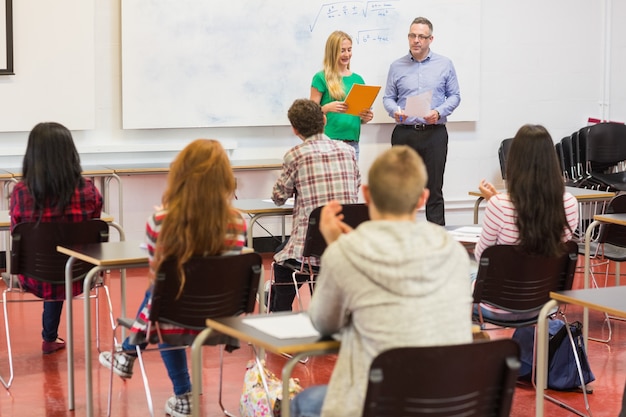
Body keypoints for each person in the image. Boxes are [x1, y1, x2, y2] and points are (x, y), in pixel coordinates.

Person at [290, 146, 473, 417]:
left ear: (366, 194)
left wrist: (336, 248)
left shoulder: (347, 252)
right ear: (422, 198)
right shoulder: (453, 250)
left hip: (377, 403)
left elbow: (324, 322)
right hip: (448, 401)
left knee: (303, 402)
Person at [98, 139, 246, 417]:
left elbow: (158, 275)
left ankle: (178, 390)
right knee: (167, 297)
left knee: (164, 301)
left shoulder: (160, 220)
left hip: (173, 319)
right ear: (225, 179)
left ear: (181, 174)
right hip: (222, 318)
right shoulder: (238, 222)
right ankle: (127, 353)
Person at [9, 122, 103, 355]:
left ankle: (49, 337)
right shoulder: (90, 191)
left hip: (32, 276)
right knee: (62, 262)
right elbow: (94, 233)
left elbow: (16, 235)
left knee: (50, 265)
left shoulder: (21, 193)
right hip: (81, 274)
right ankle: (49, 338)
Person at [473, 124, 579, 321]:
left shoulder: (500, 206)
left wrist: (497, 202)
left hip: (498, 304)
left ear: (514, 162)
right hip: (545, 303)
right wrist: (497, 200)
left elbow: (482, 258)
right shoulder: (570, 203)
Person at [269, 98, 360, 312]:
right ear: (325, 120)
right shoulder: (348, 151)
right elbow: (356, 186)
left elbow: (278, 197)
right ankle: (323, 309)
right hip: (344, 244)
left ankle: (277, 317)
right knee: (310, 260)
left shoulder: (295, 155)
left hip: (310, 250)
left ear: (294, 129)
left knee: (282, 259)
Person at [382, 16, 461, 226]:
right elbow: (388, 98)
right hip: (404, 133)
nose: (416, 40)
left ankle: (436, 241)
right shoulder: (396, 66)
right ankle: (399, 236)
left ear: (430, 39)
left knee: (433, 188)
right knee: (400, 187)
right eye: (412, 35)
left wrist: (438, 111)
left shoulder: (445, 64)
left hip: (434, 133)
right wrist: (394, 111)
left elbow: (455, 96)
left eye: (421, 36)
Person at [310, 30, 374, 160]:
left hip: (352, 144)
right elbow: (310, 114)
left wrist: (366, 117)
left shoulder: (358, 80)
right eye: (342, 50)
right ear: (332, 52)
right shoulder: (321, 78)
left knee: (352, 180)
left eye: (349, 50)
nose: (347, 54)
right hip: (328, 142)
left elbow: (360, 117)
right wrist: (327, 108)